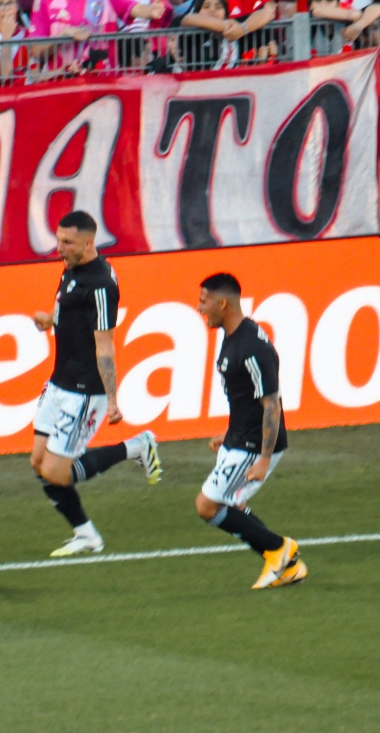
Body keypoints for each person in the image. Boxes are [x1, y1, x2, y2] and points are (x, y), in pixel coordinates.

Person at [30, 211, 163, 558]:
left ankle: (136, 447)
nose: (59, 248)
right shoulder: (71, 268)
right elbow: (72, 313)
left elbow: (105, 343)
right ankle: (86, 535)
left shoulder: (102, 283)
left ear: (88, 243)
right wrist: (50, 319)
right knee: (38, 462)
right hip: (59, 381)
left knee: (56, 472)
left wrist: (113, 399)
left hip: (85, 390)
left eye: (67, 242)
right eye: (59, 239)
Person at [194, 273, 305, 590]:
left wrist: (263, 459)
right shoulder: (235, 336)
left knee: (207, 505)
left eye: (204, 301)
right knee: (233, 506)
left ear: (223, 303)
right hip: (240, 436)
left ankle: (279, 548)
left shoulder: (251, 347)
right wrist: (227, 433)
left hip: (255, 445)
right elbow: (245, 398)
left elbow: (272, 405)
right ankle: (287, 567)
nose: (200, 308)